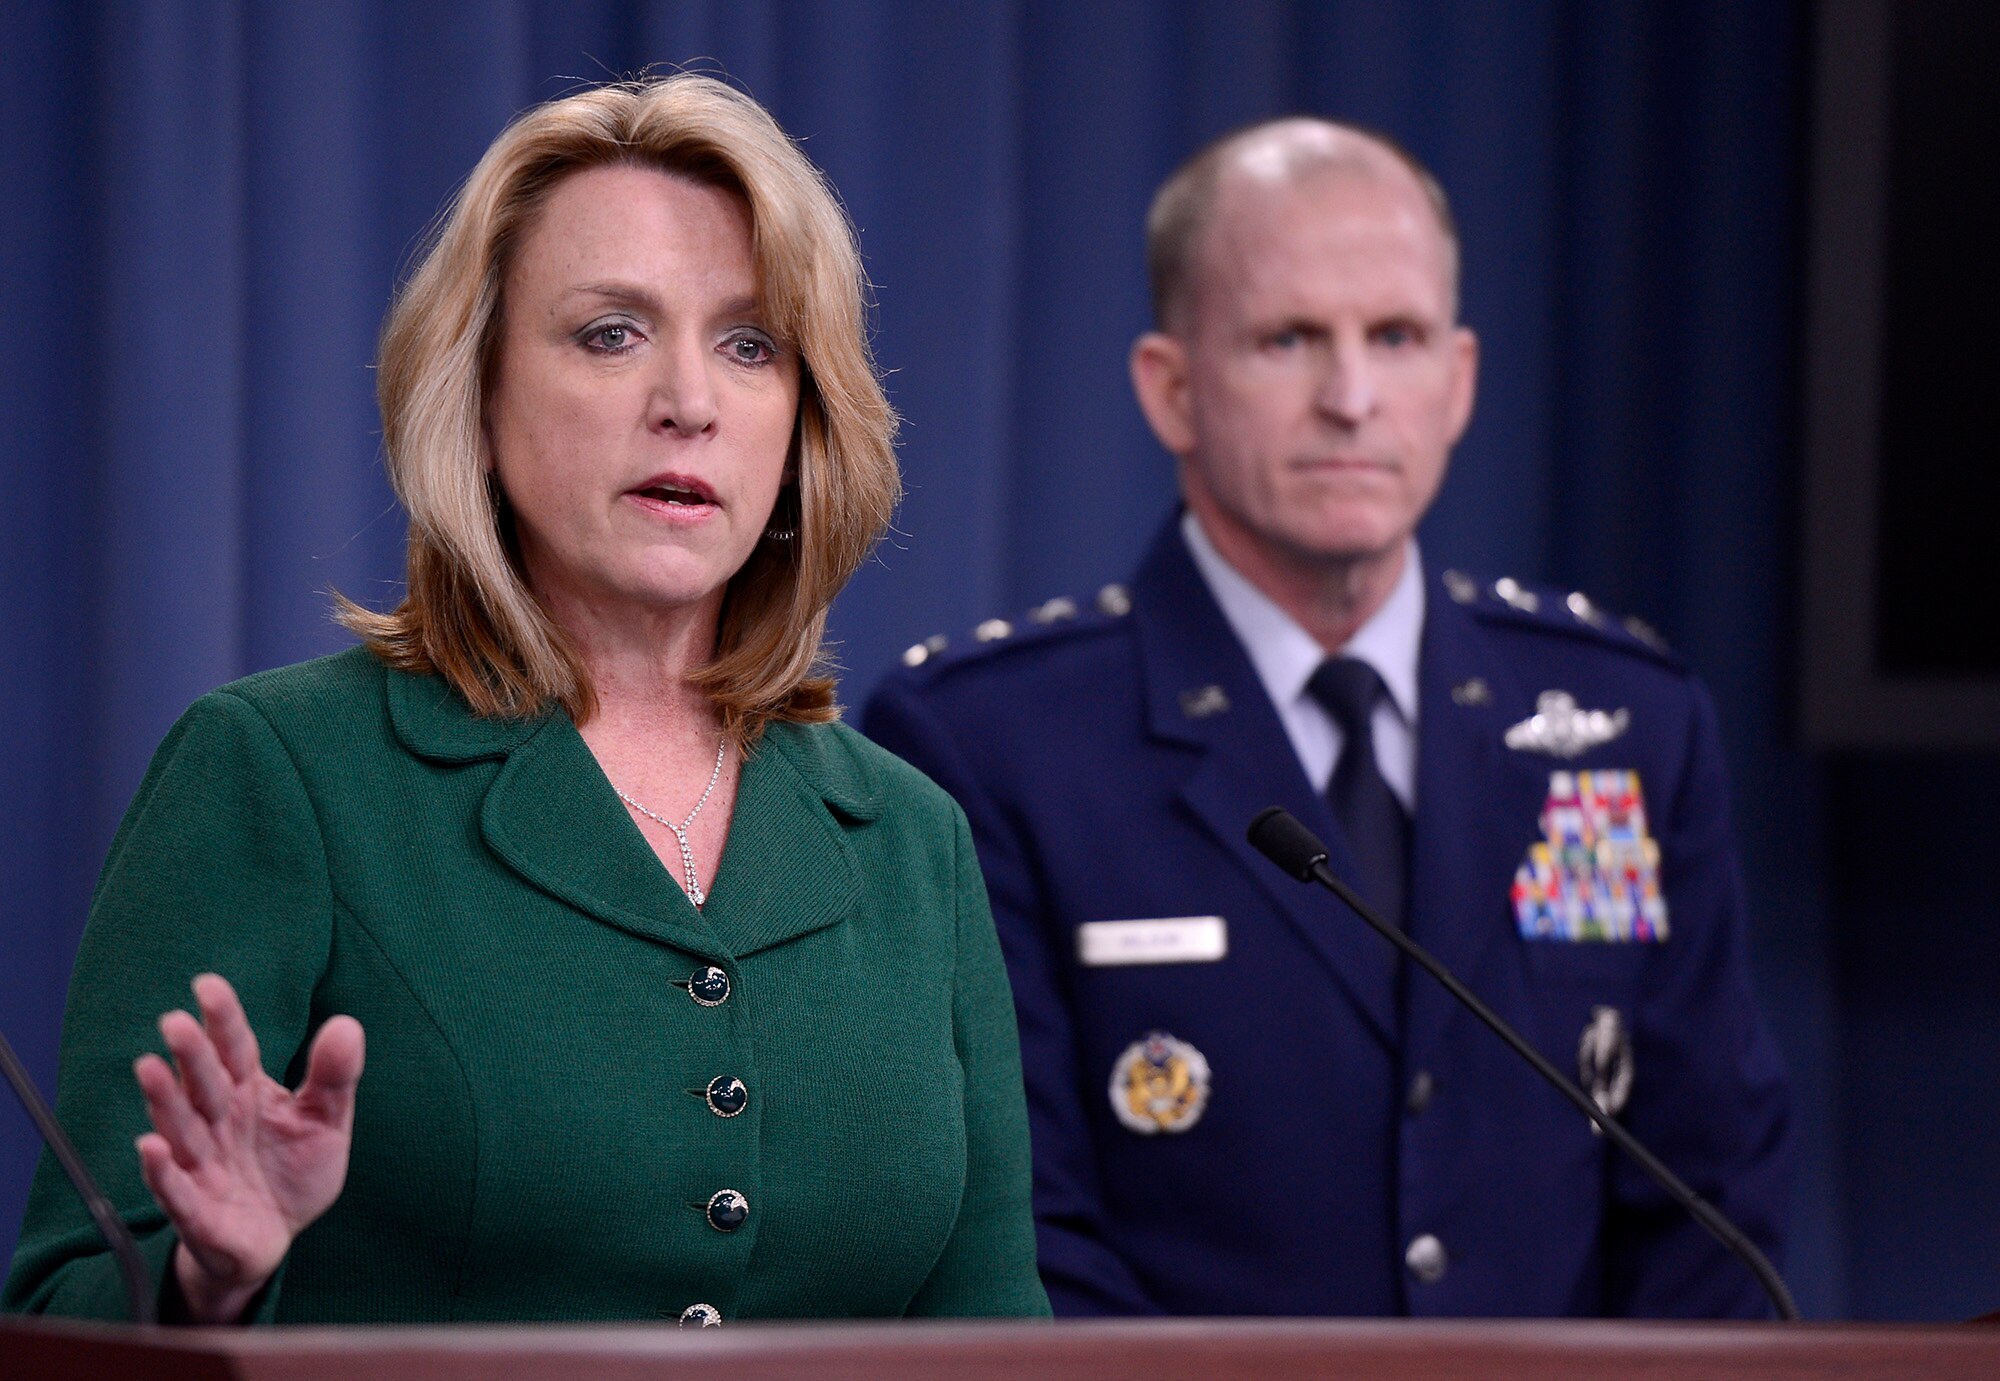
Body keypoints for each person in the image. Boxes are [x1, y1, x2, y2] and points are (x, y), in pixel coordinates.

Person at [4, 75, 1046, 1326]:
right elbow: (71, 1305)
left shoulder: (910, 836)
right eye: (610, 332)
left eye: (750, 343)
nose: (689, 400)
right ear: (477, 393)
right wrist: (202, 1280)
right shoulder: (279, 771)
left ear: (807, 419)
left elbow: (993, 1329)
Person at [863, 118, 1791, 1318]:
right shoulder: (987, 747)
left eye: (1393, 338)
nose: (1350, 399)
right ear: (1172, 388)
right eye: (1288, 338)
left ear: (1456, 382)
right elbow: (1019, 1237)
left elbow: (1710, 1197)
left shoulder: (1623, 720)